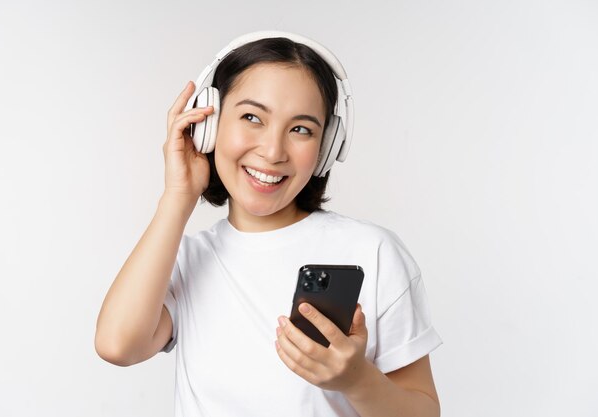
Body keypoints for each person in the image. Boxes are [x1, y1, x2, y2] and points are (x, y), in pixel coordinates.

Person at [95, 31, 443, 417]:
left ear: (326, 147)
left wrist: (356, 379)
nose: (273, 151)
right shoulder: (186, 260)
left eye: (301, 129)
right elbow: (117, 345)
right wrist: (178, 195)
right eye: (251, 117)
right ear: (207, 125)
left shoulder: (373, 252)